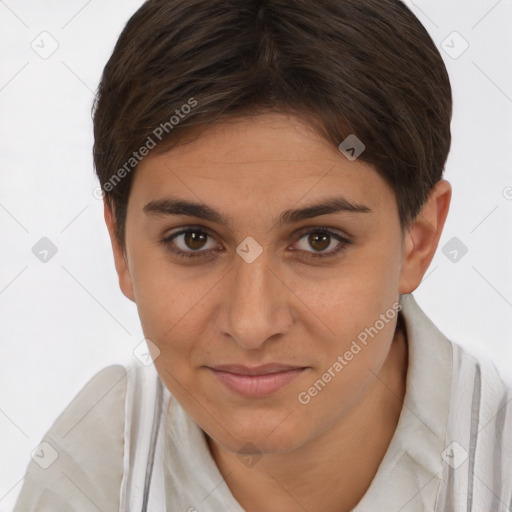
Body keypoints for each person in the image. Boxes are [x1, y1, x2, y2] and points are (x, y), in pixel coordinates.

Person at [13, 0, 512, 511]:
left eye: (320, 240)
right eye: (193, 239)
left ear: (420, 240)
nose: (251, 325)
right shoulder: (89, 474)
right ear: (120, 245)